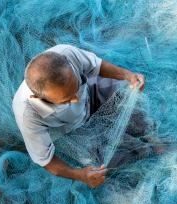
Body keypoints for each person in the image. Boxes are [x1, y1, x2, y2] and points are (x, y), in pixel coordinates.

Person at [12, 44, 158, 188]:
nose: (75, 99)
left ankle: (156, 142)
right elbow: (46, 161)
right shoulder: (27, 114)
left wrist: (128, 75)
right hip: (71, 129)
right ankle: (143, 152)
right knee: (108, 161)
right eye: (66, 100)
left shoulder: (66, 53)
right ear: (39, 98)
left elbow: (97, 66)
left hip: (92, 93)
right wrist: (80, 175)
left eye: (75, 87)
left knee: (127, 100)